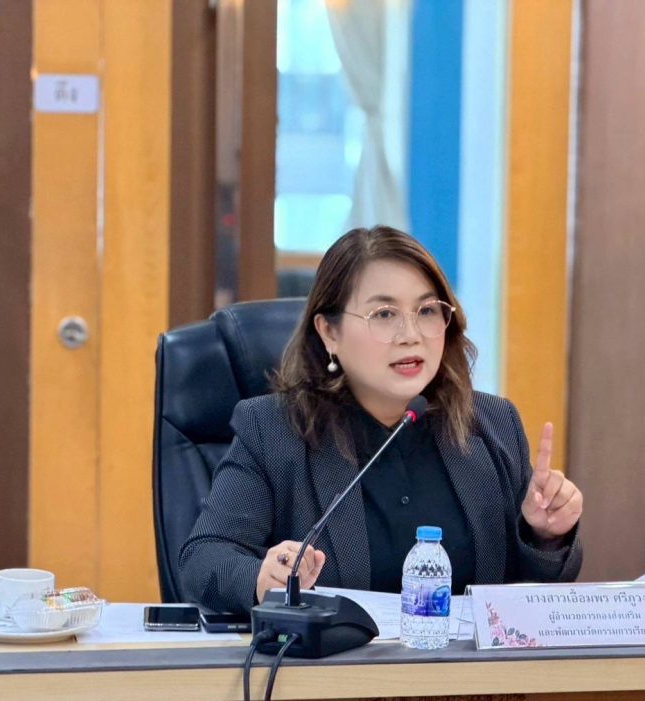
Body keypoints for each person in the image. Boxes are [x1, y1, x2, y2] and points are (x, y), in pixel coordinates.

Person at [180, 226, 583, 613]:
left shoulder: (493, 425)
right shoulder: (274, 430)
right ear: (329, 332)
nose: (410, 334)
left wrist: (543, 535)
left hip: (464, 664)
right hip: (336, 663)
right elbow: (204, 559)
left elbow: (526, 599)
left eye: (427, 310)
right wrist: (262, 578)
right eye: (385, 314)